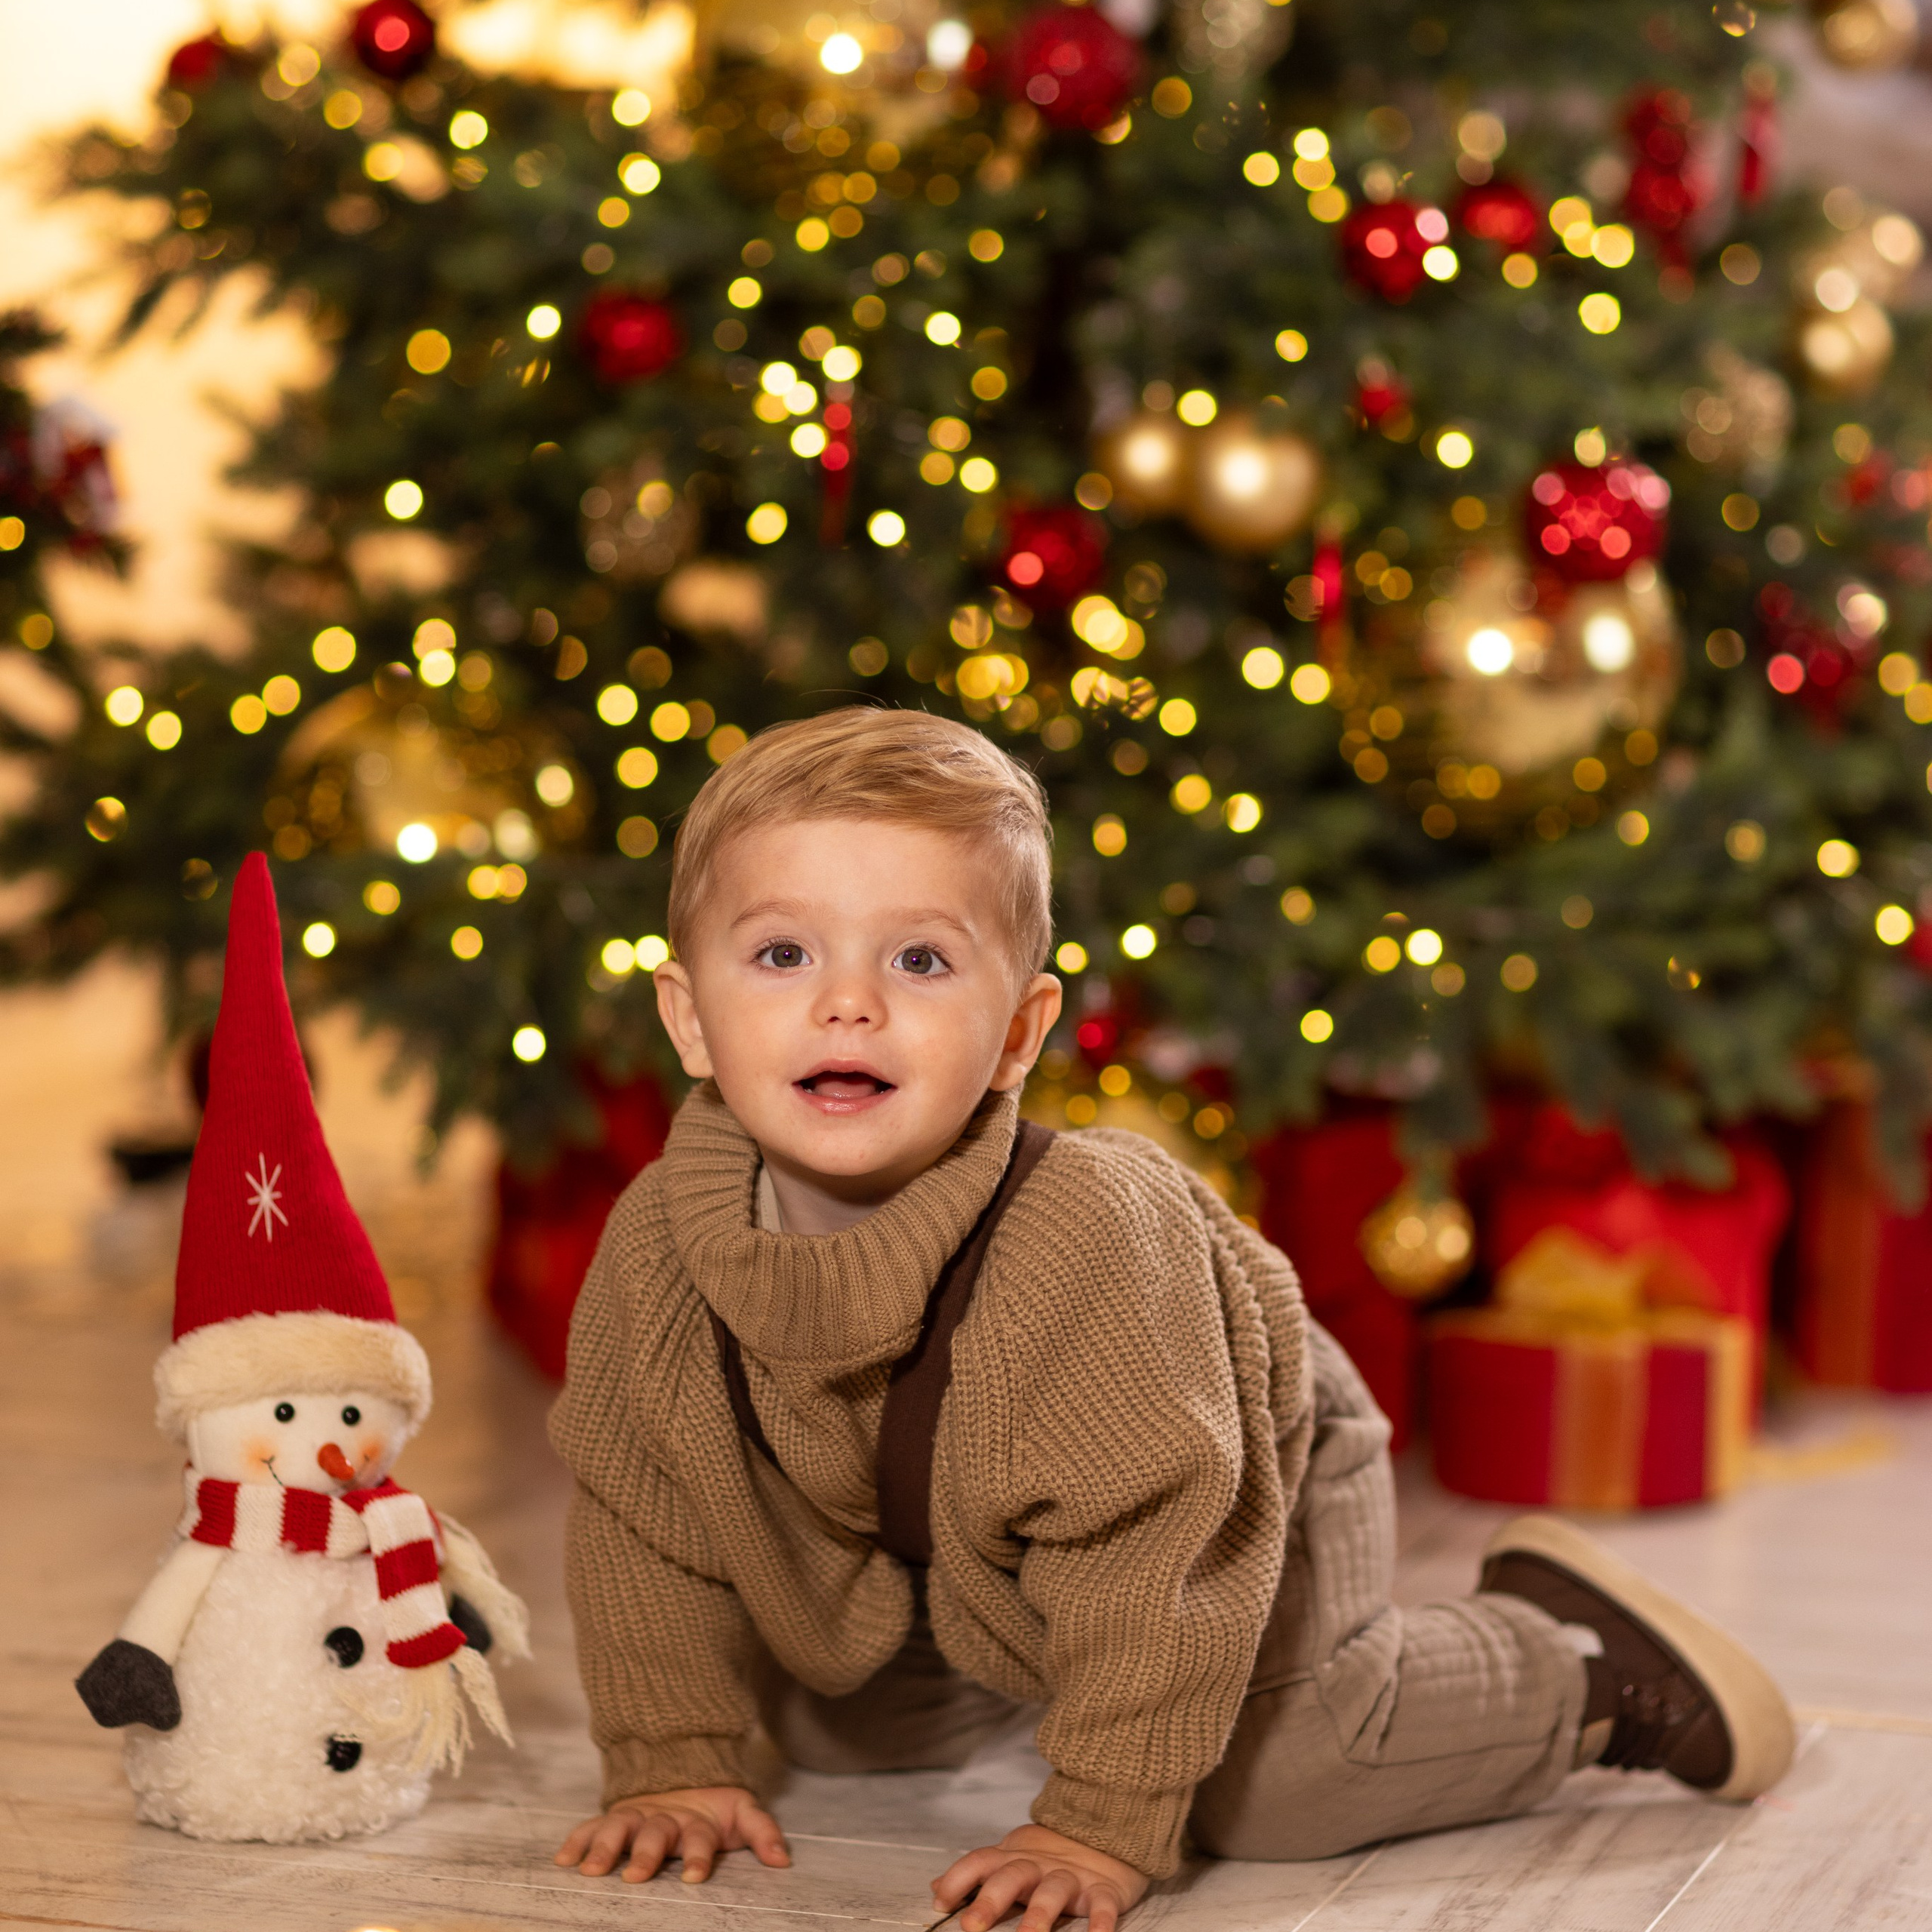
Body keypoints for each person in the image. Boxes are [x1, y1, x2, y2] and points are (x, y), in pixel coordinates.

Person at [549, 706, 1793, 1932]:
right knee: (831, 1721)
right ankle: (1052, 1671)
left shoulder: (1084, 1235)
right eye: (783, 955)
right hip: (967, 1524)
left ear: (1018, 1037)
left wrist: (1100, 1817)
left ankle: (1571, 1655)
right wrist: (671, 1753)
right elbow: (642, 1511)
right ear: (687, 1017)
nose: (849, 1006)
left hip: (1238, 1472)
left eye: (919, 960)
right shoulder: (659, 1245)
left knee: (1277, 1784)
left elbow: (1165, 1553)